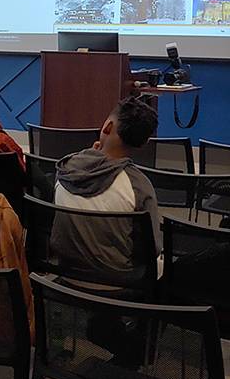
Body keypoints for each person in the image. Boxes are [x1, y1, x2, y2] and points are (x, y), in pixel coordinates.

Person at [53, 96, 162, 277]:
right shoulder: (139, 186)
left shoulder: (66, 167)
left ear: (107, 127)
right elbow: (152, 250)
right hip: (117, 286)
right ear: (143, 144)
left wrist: (90, 156)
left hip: (64, 276)